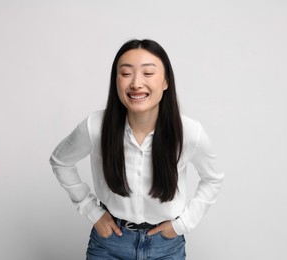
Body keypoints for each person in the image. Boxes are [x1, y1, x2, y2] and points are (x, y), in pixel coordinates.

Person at [49, 39, 224, 260]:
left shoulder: (189, 131)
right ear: (116, 81)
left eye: (148, 73)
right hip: (109, 245)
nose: (136, 83)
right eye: (126, 74)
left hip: (166, 248)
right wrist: (91, 210)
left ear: (166, 81)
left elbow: (213, 178)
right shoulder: (95, 126)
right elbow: (60, 161)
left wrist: (183, 225)